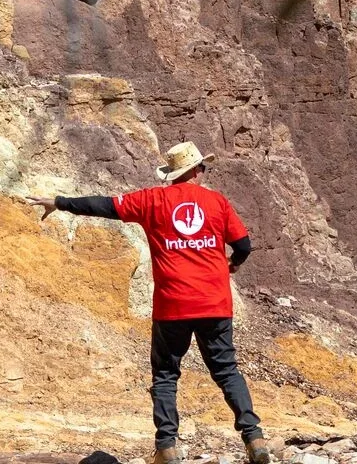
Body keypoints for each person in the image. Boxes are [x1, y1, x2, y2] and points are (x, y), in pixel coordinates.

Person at [28, 142, 271, 464]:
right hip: (214, 302)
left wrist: (60, 202)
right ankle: (254, 439)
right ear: (197, 171)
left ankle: (167, 447)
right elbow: (244, 245)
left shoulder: (151, 200)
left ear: (173, 173)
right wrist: (233, 263)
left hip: (172, 305)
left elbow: (104, 206)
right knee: (226, 370)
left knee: (166, 375)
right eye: (203, 167)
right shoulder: (217, 202)